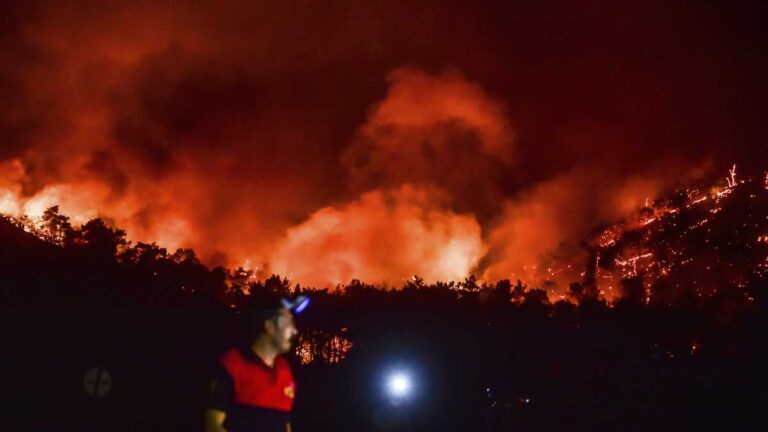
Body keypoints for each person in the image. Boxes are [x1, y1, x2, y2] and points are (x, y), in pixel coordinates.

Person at [204, 294, 309, 432]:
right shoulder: (233, 364)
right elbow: (212, 424)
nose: (294, 331)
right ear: (269, 326)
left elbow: (284, 423)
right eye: (288, 322)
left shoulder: (285, 370)